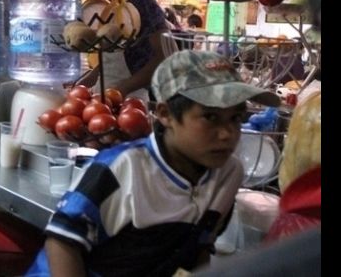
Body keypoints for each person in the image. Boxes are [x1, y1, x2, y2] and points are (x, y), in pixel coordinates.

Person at [27, 50, 280, 277]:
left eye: (236, 118)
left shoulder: (229, 174)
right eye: (210, 117)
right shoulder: (122, 169)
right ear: (165, 114)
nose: (227, 134)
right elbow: (62, 243)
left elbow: (199, 248)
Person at [79, 0, 168, 102]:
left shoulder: (144, 6)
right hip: (103, 98)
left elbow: (163, 57)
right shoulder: (105, 9)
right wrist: (80, 85)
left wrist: (121, 90)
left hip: (133, 100)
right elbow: (110, 61)